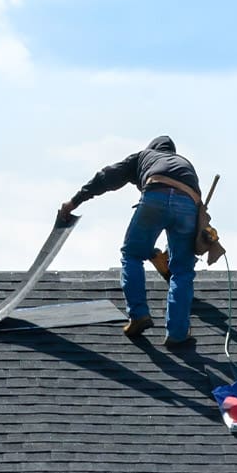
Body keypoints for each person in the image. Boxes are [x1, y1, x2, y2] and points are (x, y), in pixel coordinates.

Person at [58, 135, 202, 347]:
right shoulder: (184, 164)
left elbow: (105, 177)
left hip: (156, 195)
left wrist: (74, 202)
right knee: (182, 271)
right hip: (189, 204)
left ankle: (138, 316)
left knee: (133, 255)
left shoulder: (144, 156)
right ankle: (177, 334)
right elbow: (192, 210)